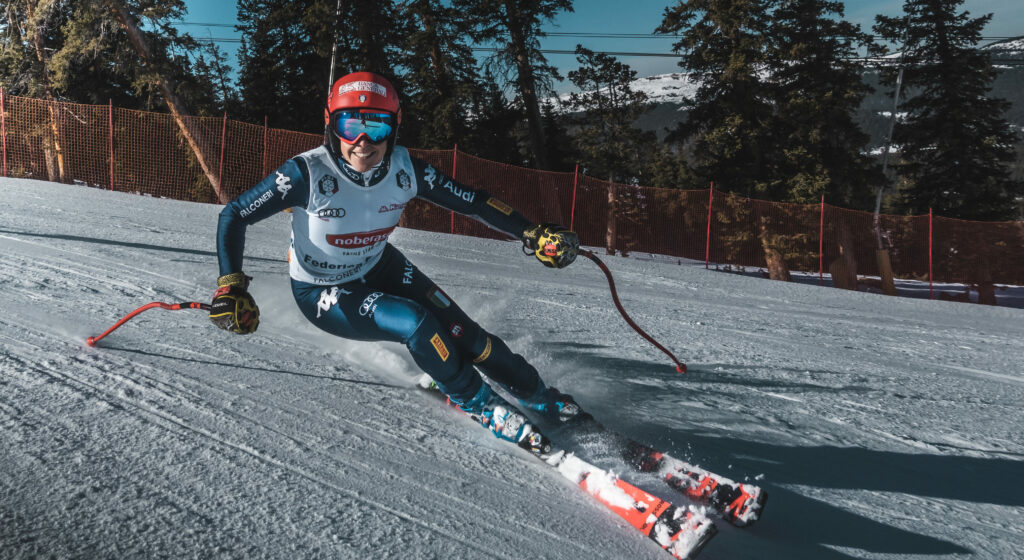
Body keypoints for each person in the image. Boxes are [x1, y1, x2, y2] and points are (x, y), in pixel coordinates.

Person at [209, 71, 583, 453]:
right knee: (416, 323)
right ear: (330, 122)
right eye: (350, 123)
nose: (363, 140)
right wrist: (231, 284)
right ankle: (481, 405)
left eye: (378, 124)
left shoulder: (406, 169)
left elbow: (472, 200)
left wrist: (530, 232)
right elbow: (235, 215)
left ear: (396, 124)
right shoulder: (306, 173)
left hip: (380, 265)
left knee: (467, 335)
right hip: (322, 290)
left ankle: (540, 397)